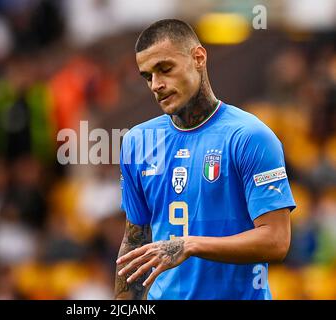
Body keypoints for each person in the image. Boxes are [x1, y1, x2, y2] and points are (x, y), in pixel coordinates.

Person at [115, 19, 296, 300]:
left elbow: (276, 240)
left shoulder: (250, 137)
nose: (156, 85)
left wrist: (190, 245)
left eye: (165, 69)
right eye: (147, 76)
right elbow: (134, 242)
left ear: (198, 57)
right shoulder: (138, 142)